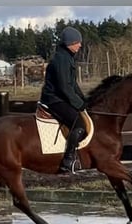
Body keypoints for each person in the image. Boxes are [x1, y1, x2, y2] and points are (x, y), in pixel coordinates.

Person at [40, 26, 86, 174]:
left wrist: (84, 100)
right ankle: (68, 160)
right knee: (78, 123)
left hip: (60, 97)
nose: (80, 45)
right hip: (54, 99)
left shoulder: (68, 58)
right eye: (78, 42)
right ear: (70, 43)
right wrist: (79, 104)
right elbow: (64, 87)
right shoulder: (61, 60)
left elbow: (73, 85)